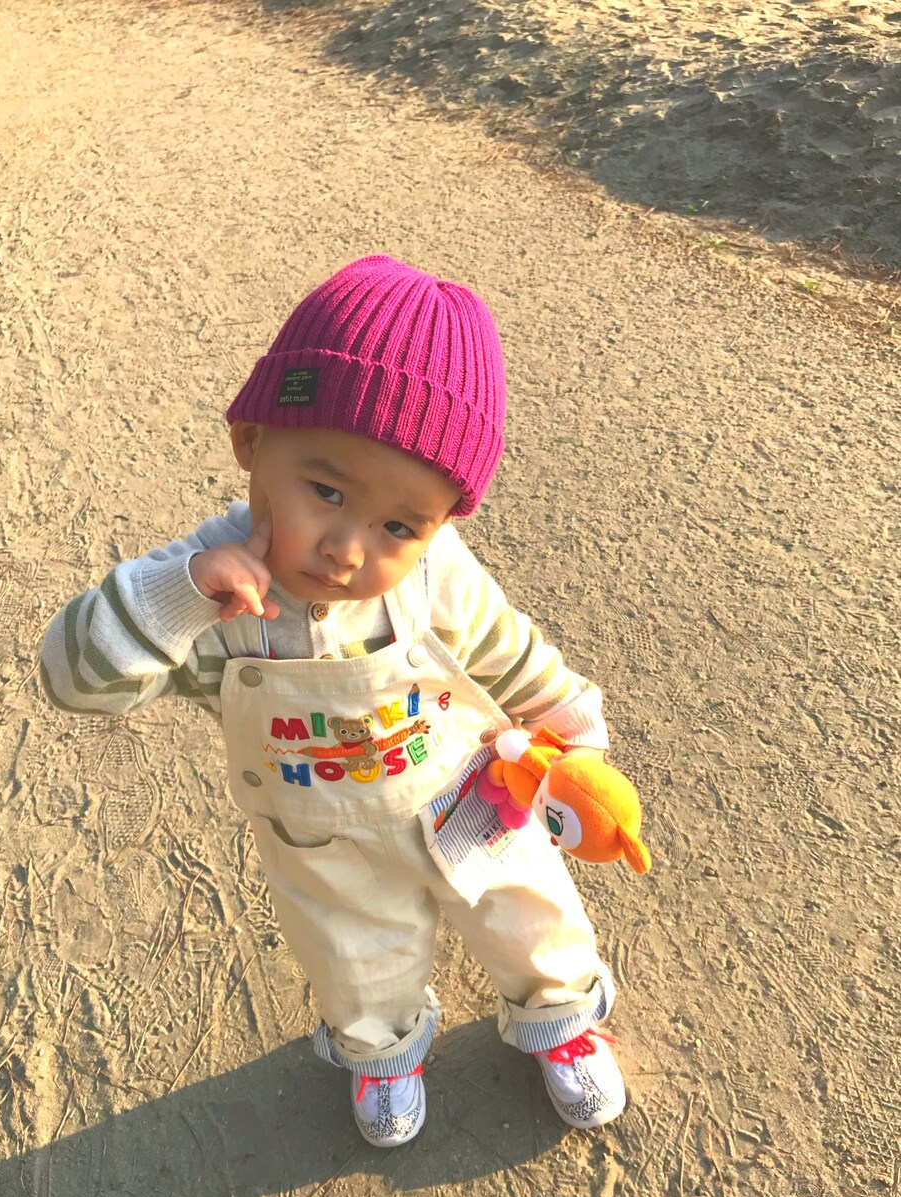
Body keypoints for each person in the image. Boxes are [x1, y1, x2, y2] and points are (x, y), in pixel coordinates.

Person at [39, 255, 626, 1148]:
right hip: (320, 836)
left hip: (469, 794)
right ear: (252, 441)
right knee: (355, 954)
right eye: (326, 492)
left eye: (399, 525)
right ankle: (382, 1048)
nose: (349, 548)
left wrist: (572, 730)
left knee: (527, 908)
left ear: (440, 525)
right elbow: (73, 681)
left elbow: (506, 649)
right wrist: (178, 597)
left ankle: (562, 1014)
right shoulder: (210, 594)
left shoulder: (436, 575)